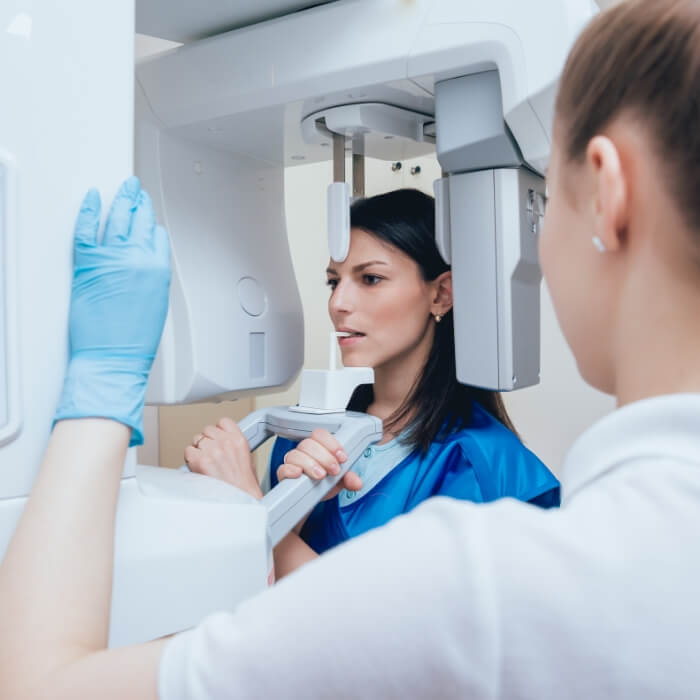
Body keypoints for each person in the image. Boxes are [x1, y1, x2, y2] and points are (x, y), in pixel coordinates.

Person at [1, 1, 700, 697]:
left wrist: (105, 389)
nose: (340, 302)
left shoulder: (490, 534)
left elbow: (42, 684)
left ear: (608, 190)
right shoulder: (309, 446)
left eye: (546, 202)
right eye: (334, 280)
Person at [185, 190, 559, 578]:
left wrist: (248, 506)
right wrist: (289, 513)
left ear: (441, 293)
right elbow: (253, 596)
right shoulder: (305, 434)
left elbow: (390, 631)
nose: (338, 303)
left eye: (370, 278)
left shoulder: (480, 463)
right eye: (334, 282)